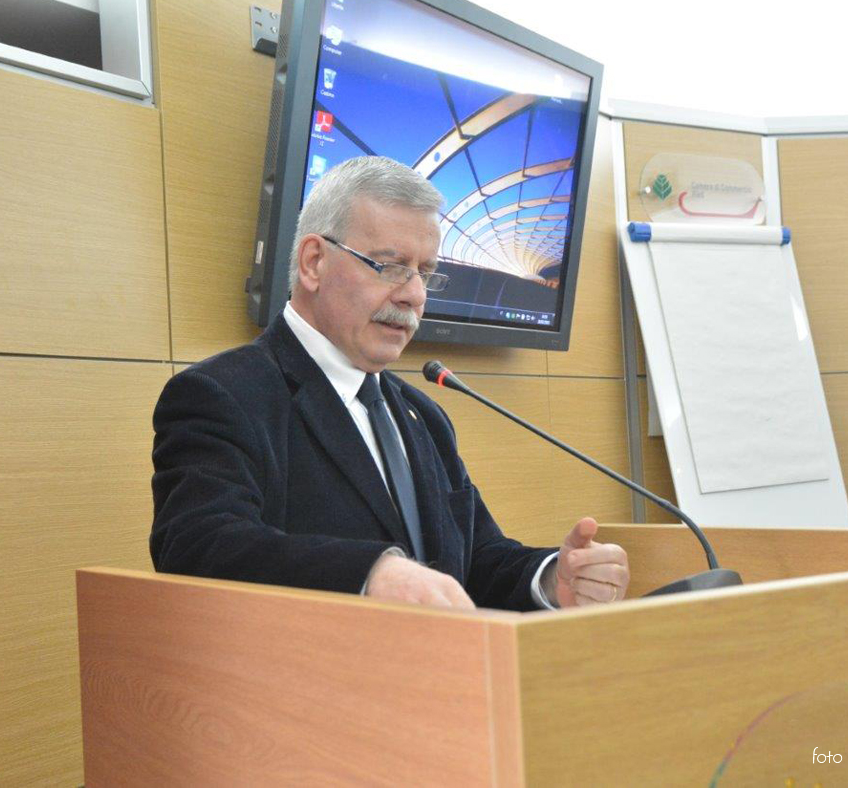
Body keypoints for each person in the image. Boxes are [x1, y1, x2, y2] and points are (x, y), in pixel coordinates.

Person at [150, 156, 629, 610]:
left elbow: (474, 560)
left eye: (426, 273)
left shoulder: (424, 415)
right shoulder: (222, 394)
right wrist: (369, 575)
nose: (415, 295)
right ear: (314, 262)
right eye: (392, 267)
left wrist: (549, 578)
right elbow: (199, 544)